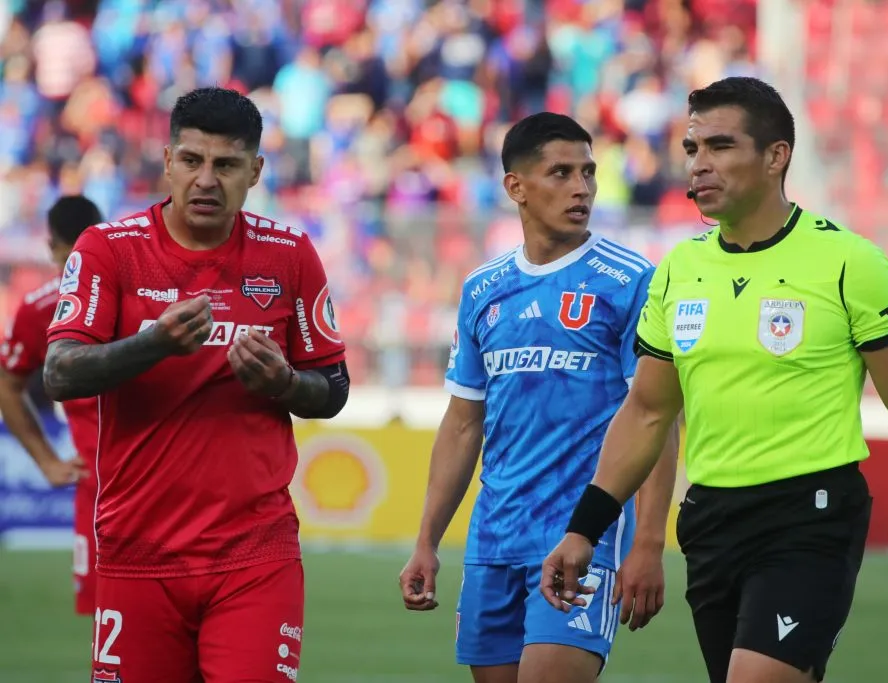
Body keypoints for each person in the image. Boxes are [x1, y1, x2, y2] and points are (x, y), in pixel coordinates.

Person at [539, 76, 888, 683]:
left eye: (720, 146)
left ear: (776, 156)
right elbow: (647, 412)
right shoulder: (678, 270)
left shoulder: (850, 263)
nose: (699, 164)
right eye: (693, 149)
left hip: (811, 516)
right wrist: (584, 530)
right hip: (709, 521)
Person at [43, 87, 350, 683]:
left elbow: (333, 388)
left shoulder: (289, 255)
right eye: (191, 160)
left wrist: (285, 383)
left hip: (254, 554)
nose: (206, 180)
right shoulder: (108, 250)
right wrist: (153, 343)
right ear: (167, 161)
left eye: (227, 164)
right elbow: (59, 372)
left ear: (255, 171)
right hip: (136, 550)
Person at [398, 112, 680, 683]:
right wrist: (426, 540)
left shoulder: (629, 280)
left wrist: (649, 543)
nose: (581, 188)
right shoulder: (483, 288)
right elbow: (462, 423)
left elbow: (656, 417)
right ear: (516, 187)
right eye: (561, 173)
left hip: (584, 535)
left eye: (588, 172)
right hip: (494, 538)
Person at [0, 195, 103, 615]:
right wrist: (46, 461)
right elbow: (7, 384)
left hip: (145, 486)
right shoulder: (41, 308)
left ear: (52, 246)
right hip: (102, 491)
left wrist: (47, 461)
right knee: (116, 628)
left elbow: (7, 385)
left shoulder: (140, 293)